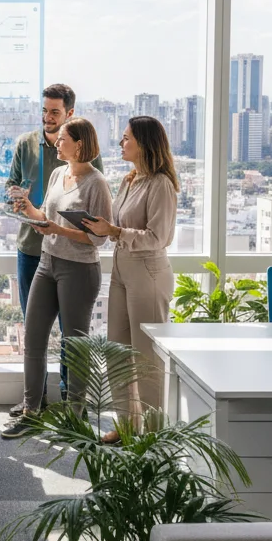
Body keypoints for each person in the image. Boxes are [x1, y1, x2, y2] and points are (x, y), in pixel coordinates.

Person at [1, 118, 113, 438]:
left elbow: (99, 238)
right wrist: (28, 210)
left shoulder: (96, 183)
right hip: (47, 263)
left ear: (79, 144)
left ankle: (74, 418)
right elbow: (46, 216)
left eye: (62, 138)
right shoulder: (57, 173)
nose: (56, 142)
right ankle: (30, 411)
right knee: (33, 339)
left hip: (78, 269)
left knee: (73, 345)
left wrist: (58, 230)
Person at [85, 116, 179, 426]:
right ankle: (127, 425)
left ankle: (153, 432)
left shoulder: (161, 184)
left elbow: (158, 238)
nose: (121, 143)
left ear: (144, 144)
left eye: (127, 139)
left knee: (146, 359)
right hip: (122, 269)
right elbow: (117, 226)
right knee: (117, 351)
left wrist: (114, 230)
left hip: (148, 272)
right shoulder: (128, 180)